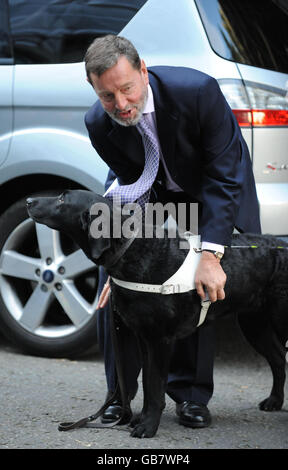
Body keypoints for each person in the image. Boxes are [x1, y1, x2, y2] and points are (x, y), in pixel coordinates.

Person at [84, 35, 261, 428]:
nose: (121, 104)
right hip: (155, 195)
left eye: (126, 88)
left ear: (143, 71)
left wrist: (211, 254)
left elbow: (225, 176)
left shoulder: (197, 91)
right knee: (116, 286)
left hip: (213, 193)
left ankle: (190, 396)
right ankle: (119, 396)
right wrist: (120, 260)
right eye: (107, 96)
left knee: (196, 289)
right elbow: (133, 181)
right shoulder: (98, 122)